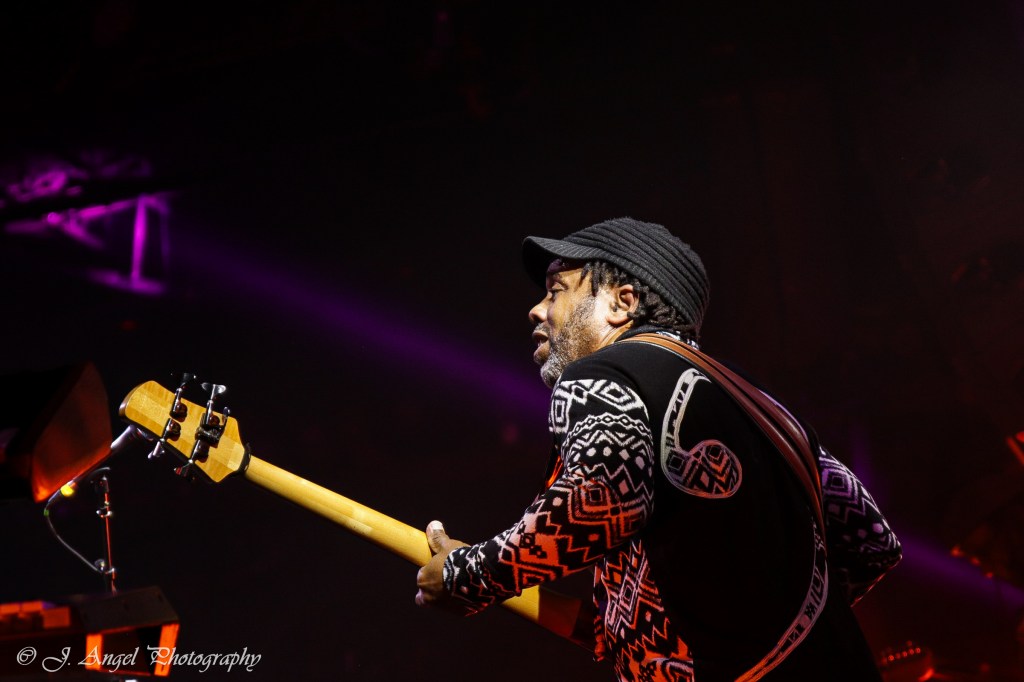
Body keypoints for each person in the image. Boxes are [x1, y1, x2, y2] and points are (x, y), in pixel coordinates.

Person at [415, 217, 901, 681]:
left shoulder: (605, 373)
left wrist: (470, 574)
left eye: (557, 289)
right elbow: (871, 542)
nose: (538, 309)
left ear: (622, 303)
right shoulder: (771, 411)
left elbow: (599, 503)